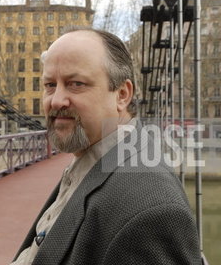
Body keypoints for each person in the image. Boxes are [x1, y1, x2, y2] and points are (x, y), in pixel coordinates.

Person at [11, 27, 201, 264]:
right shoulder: (91, 162)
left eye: (76, 84)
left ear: (122, 94)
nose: (56, 100)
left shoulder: (150, 211)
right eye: (50, 85)